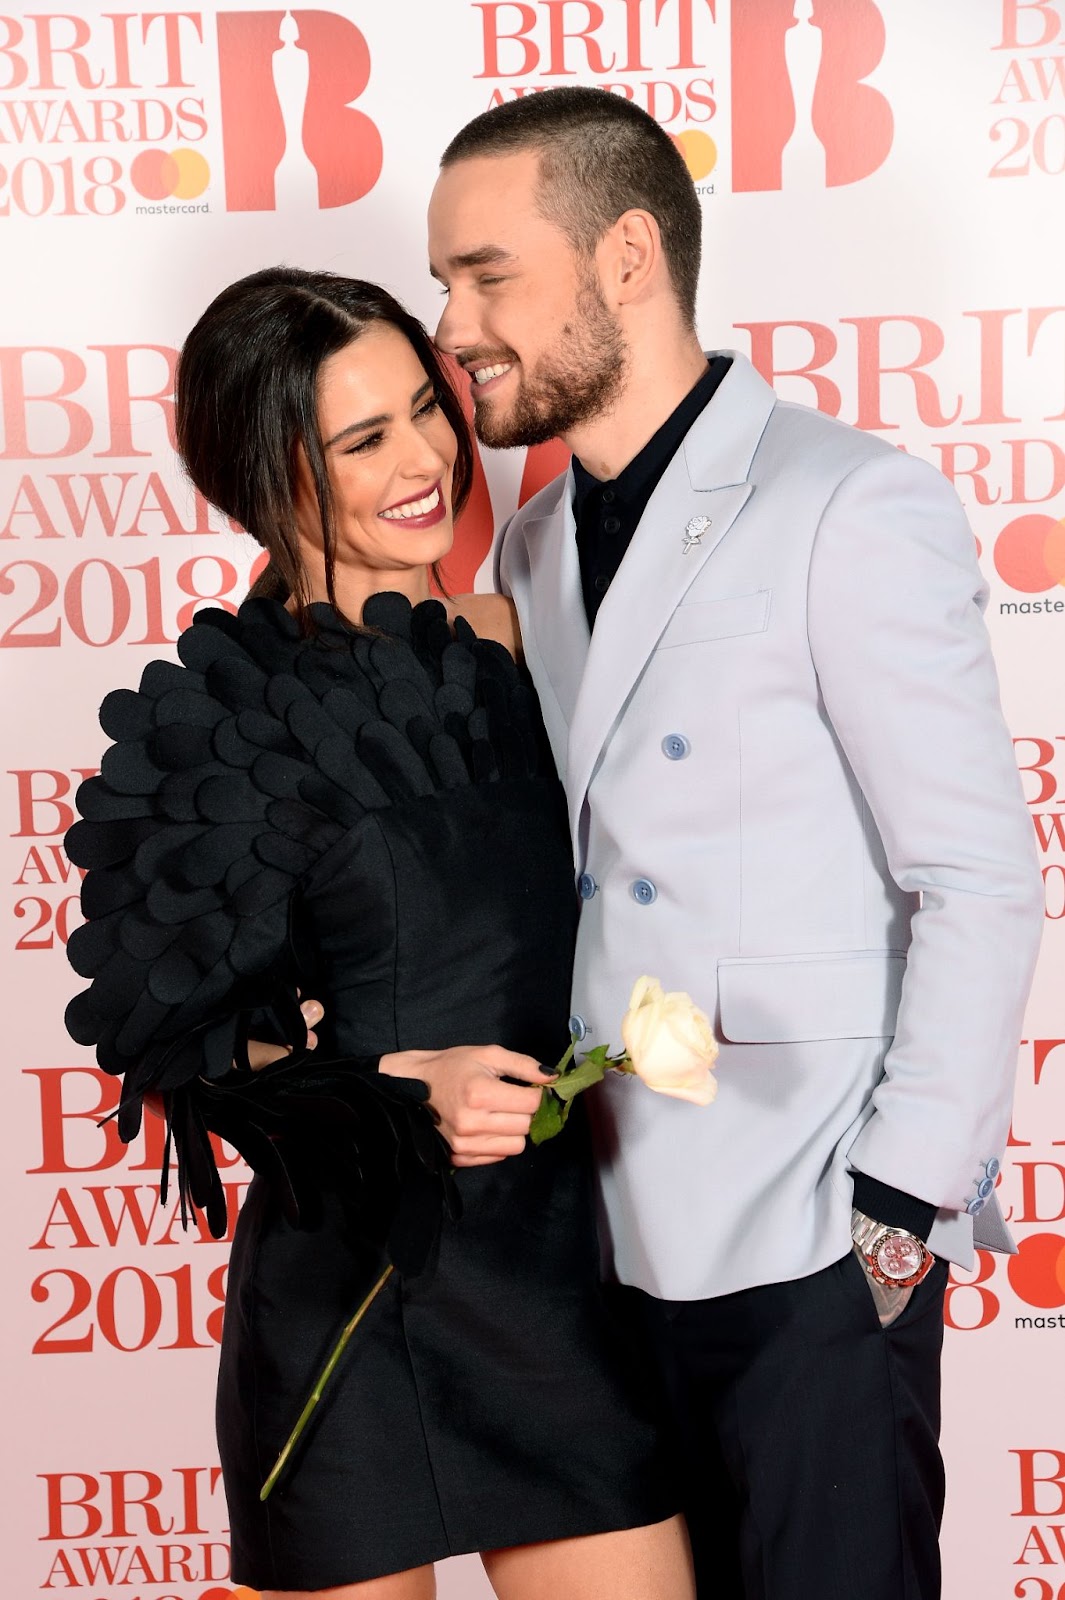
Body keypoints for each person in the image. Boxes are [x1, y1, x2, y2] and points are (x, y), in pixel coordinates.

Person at [427, 87, 1045, 1599]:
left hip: (808, 1219)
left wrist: (896, 1211)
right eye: (445, 282)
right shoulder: (525, 545)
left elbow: (974, 874)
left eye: (488, 272)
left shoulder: (849, 501)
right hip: (604, 1233)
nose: (454, 322)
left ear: (625, 255)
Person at [63, 267, 694, 1600]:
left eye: (424, 409)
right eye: (363, 440)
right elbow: (198, 1064)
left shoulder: (523, 640)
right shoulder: (221, 725)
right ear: (266, 470)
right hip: (351, 1303)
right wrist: (410, 1083)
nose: (424, 462)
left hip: (554, 1284)